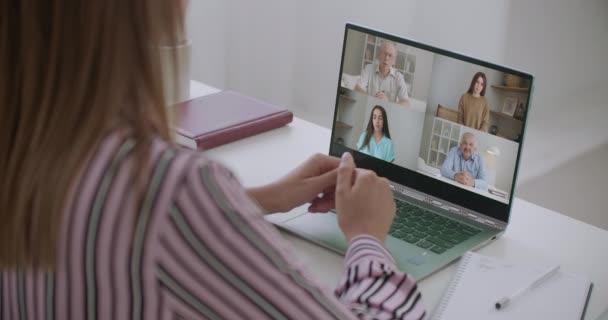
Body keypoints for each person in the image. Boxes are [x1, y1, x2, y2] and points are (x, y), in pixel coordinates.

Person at [0, 1, 426, 319]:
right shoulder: (166, 195)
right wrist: (367, 237)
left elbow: (102, 221)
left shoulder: (26, 143)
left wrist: (254, 201)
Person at [355, 41, 411, 106]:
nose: (386, 58)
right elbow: (357, 89)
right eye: (384, 54)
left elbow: (406, 104)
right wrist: (373, 99)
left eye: (390, 55)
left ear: (394, 61)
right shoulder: (369, 68)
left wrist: (387, 103)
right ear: (379, 55)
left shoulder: (399, 77)